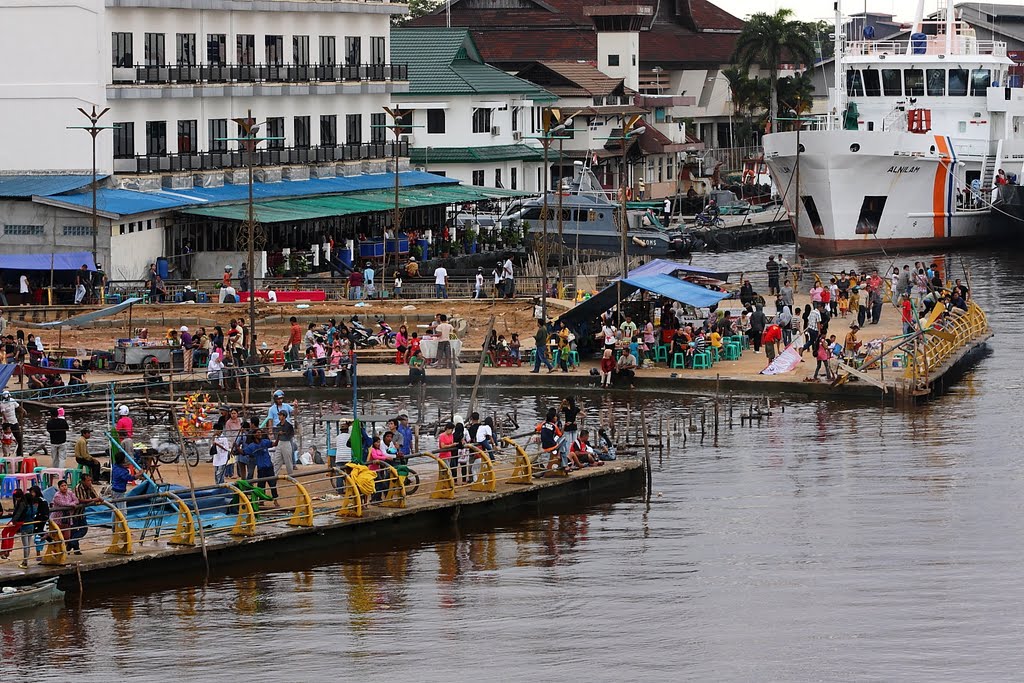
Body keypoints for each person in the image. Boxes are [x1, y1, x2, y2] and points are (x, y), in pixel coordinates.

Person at [69, 474, 100, 554]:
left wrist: (97, 499)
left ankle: (71, 544)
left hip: (81, 512)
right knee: (74, 531)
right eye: (88, 481)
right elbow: (80, 500)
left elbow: (95, 496)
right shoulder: (78, 488)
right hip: (73, 514)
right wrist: (94, 500)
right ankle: (75, 548)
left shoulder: (89, 487)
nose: (90, 482)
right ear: (83, 481)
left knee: (83, 529)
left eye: (90, 480)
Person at [0, 389, 23, 457]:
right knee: (5, 439)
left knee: (19, 438)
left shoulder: (12, 401)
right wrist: (8, 424)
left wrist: (23, 410)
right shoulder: (2, 404)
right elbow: (3, 414)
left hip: (14, 421)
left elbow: (18, 407)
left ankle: (19, 454)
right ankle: (6, 454)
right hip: (6, 423)